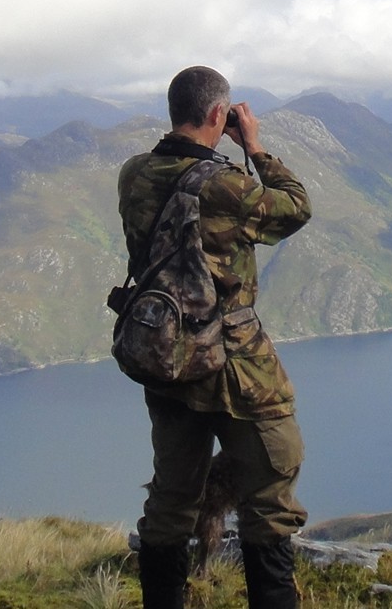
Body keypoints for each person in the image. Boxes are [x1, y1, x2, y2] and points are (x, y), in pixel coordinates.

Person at [117, 65, 313, 609]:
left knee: (171, 502)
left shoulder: (133, 174)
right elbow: (295, 207)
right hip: (237, 368)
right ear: (217, 115)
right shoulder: (225, 185)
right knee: (271, 499)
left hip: (167, 360)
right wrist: (256, 147)